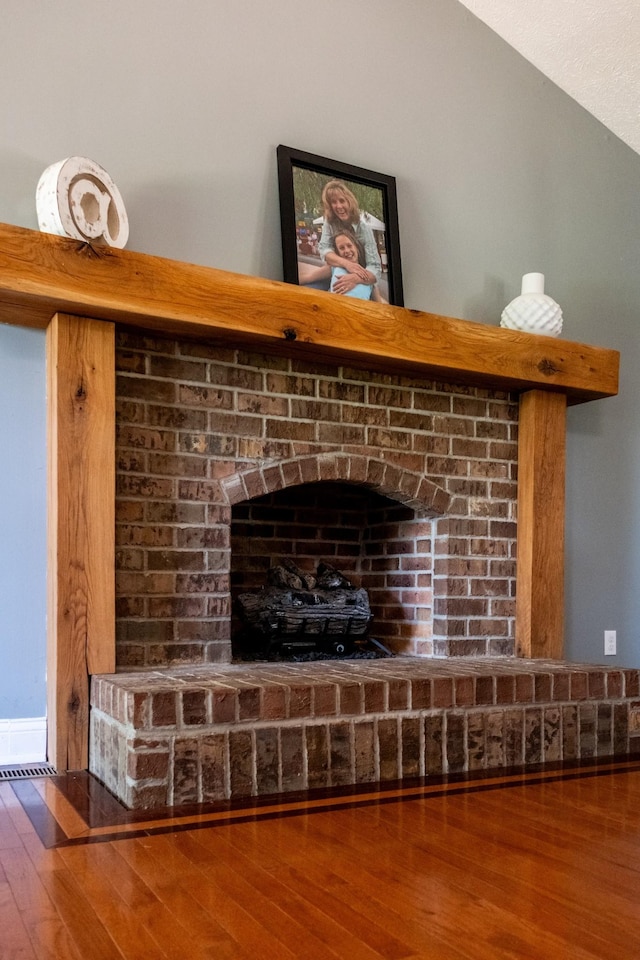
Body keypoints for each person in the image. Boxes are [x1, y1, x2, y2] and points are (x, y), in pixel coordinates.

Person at [318, 179, 382, 289]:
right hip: (336, 271)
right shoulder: (329, 223)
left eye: (342, 201)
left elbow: (375, 268)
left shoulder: (364, 229)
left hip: (362, 278)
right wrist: (347, 264)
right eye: (334, 202)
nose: (338, 206)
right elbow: (324, 250)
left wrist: (356, 278)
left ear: (350, 202)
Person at [330, 230, 387, 302]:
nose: (347, 250)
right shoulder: (335, 267)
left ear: (356, 247)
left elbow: (379, 304)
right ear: (337, 253)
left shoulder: (370, 276)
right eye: (341, 248)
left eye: (349, 245)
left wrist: (357, 279)